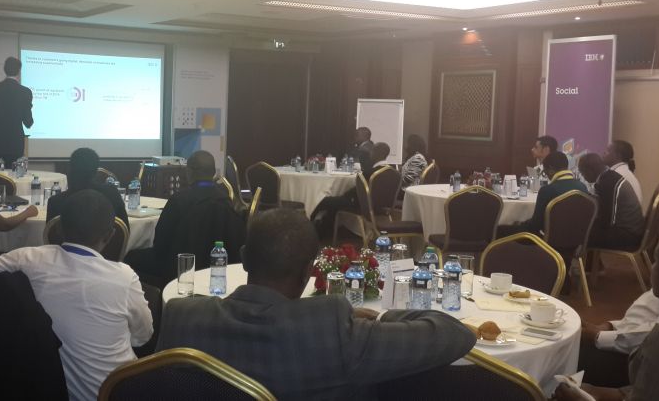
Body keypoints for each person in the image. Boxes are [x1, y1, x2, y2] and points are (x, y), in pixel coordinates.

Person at [156, 209, 476, 400]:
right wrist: (381, 319)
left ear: (244, 258)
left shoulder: (181, 317)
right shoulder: (331, 330)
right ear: (309, 271)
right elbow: (455, 334)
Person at [0, 190, 153, 401]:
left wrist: (8, 322)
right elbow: (143, 337)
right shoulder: (125, 277)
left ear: (59, 229)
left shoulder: (26, 258)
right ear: (110, 235)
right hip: (114, 392)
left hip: (41, 386)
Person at [555, 230, 659, 401]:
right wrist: (609, 394)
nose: (652, 268)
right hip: (635, 373)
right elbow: (645, 317)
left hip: (632, 363)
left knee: (568, 357)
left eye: (656, 261)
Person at [124, 150, 244, 286]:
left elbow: (160, 243)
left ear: (189, 172)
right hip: (213, 268)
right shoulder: (226, 201)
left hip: (176, 268)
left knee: (130, 257)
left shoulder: (178, 200)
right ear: (213, 172)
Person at [578, 289, 659, 388]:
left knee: (583, 359)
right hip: (638, 350)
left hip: (650, 363)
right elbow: (645, 313)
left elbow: (655, 337)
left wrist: (598, 336)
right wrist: (609, 327)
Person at [310, 143, 391, 239]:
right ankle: (327, 232)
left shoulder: (370, 173)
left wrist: (344, 195)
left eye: (372, 151)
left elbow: (358, 191)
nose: (370, 154)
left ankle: (313, 232)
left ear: (377, 153)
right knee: (335, 203)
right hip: (382, 208)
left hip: (363, 206)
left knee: (323, 201)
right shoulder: (392, 172)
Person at [505, 151, 588, 236]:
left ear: (551, 170)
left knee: (503, 230)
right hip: (578, 240)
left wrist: (519, 224)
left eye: (545, 172)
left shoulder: (547, 191)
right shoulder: (582, 187)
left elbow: (535, 226)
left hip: (548, 242)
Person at [46, 147, 128, 228]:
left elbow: (50, 235)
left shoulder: (55, 202)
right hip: (106, 237)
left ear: (70, 170)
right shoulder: (112, 194)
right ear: (96, 172)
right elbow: (124, 228)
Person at [578, 153, 644, 251]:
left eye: (583, 173)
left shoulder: (608, 183)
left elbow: (607, 220)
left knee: (582, 232)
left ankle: (580, 260)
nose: (583, 177)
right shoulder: (610, 177)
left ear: (590, 170)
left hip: (628, 235)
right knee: (586, 228)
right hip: (632, 230)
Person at [0, 56, 34, 164]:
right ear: (19, 71)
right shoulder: (25, 92)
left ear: (4, 69)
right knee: (13, 174)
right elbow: (28, 122)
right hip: (14, 146)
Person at [603, 140, 643, 206]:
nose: (604, 152)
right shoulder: (624, 172)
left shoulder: (616, 175)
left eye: (608, 150)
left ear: (617, 155)